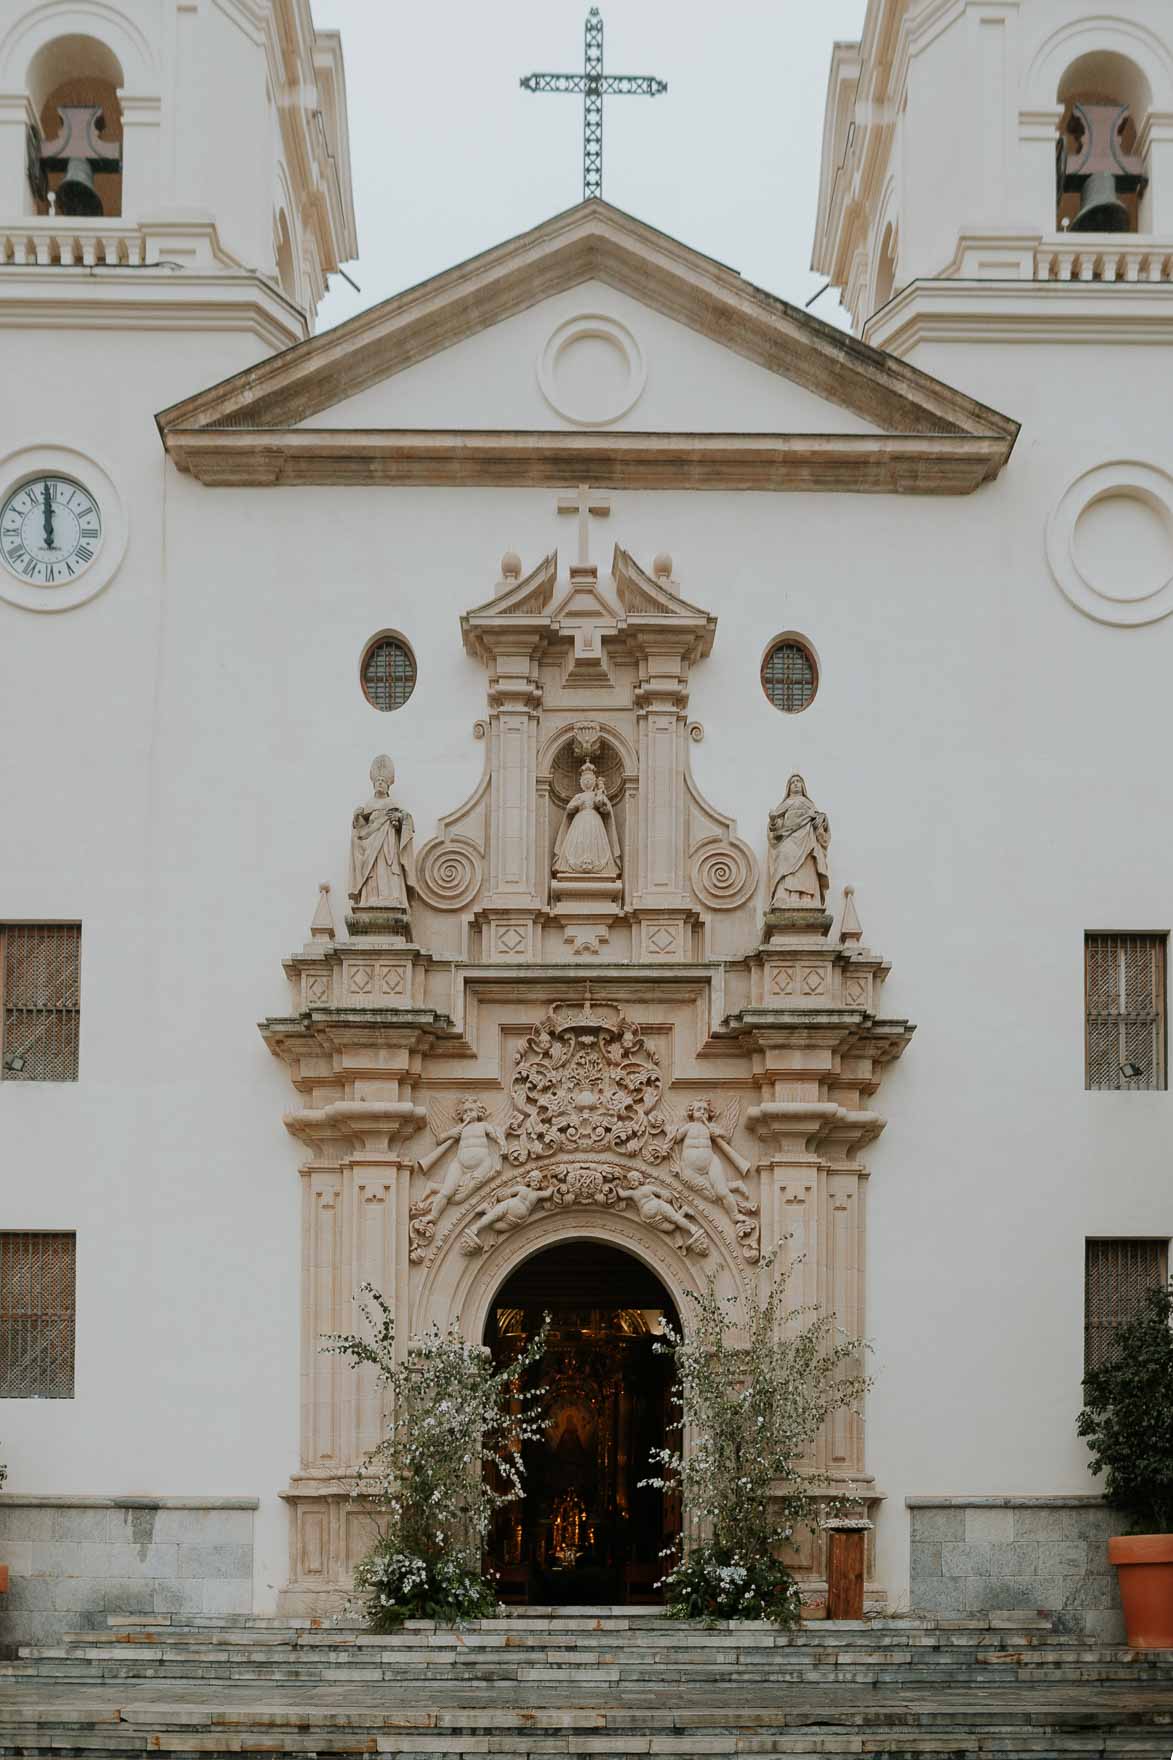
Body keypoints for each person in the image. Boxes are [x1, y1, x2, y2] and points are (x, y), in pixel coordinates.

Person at [349, 754, 415, 909]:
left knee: (388, 867)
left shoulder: (392, 802)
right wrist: (357, 816)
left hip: (388, 843)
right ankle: (371, 897)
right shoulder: (369, 804)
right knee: (373, 872)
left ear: (388, 785)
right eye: (377, 781)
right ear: (373, 784)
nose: (380, 783)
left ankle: (392, 895)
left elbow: (406, 820)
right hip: (371, 846)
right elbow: (361, 831)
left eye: (383, 781)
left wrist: (398, 818)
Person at [767, 773, 830, 909]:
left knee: (806, 866)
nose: (795, 784)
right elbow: (777, 828)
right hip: (788, 838)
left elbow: (819, 823)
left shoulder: (809, 804)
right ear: (788, 788)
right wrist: (773, 820)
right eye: (793, 782)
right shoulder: (784, 805)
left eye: (798, 781)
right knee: (784, 855)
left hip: (806, 838)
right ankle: (784, 895)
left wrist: (821, 819)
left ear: (803, 786)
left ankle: (807, 897)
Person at [553, 762, 620, 877]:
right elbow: (569, 809)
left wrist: (601, 796)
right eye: (585, 780)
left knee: (593, 840)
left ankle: (600, 866)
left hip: (595, 821)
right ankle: (572, 865)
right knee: (579, 841)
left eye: (589, 780)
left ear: (594, 781)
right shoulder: (578, 796)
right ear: (581, 782)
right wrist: (577, 804)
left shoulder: (597, 794)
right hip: (580, 820)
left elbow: (605, 810)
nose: (587, 782)